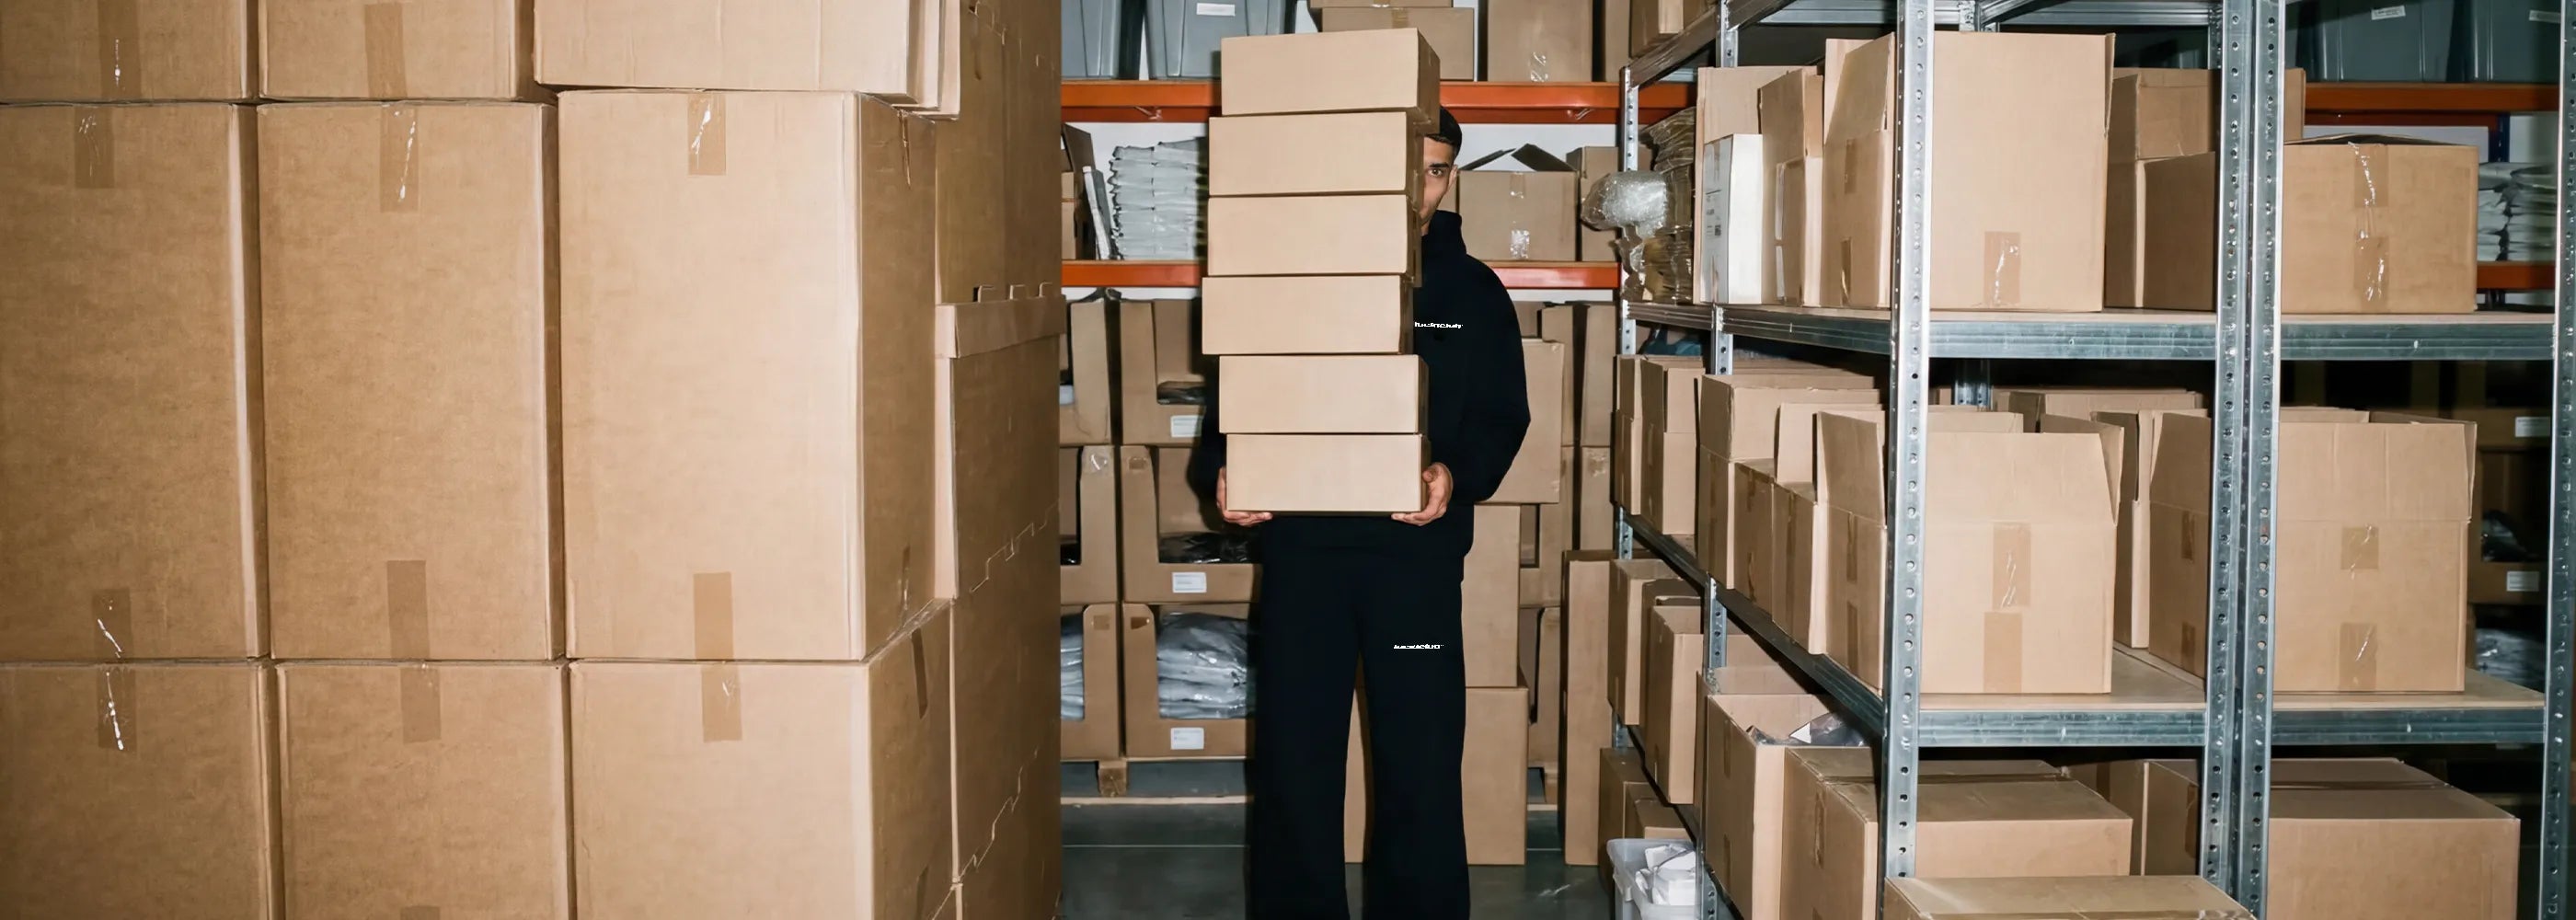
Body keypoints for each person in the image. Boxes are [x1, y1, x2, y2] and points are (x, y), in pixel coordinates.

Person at [1188, 108, 1532, 919]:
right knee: (1294, 763)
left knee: (1420, 763)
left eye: (1437, 170)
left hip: (1413, 560)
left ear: (1451, 178)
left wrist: (1455, 475)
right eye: (1409, 165)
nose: (1420, 187)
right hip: (1302, 554)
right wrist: (1225, 475)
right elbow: (1230, 408)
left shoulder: (1471, 291)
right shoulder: (1293, 279)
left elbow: (1502, 417)